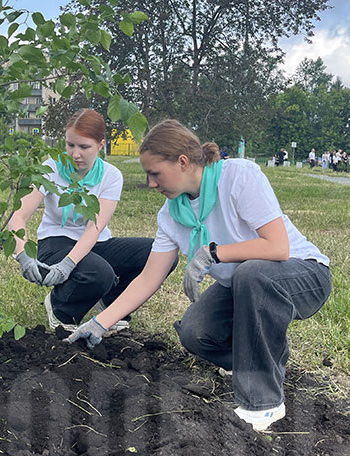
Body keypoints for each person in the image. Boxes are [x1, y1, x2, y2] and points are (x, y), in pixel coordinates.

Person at [65, 119, 331, 431]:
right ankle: (258, 362)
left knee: (251, 273)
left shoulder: (238, 177)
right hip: (245, 284)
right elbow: (148, 278)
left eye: (155, 173)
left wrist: (213, 253)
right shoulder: (170, 215)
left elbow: (278, 248)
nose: (151, 184)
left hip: (303, 275)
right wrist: (100, 323)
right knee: (195, 332)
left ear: (183, 161)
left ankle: (263, 405)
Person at [7, 109, 167, 332]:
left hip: (96, 242)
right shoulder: (50, 168)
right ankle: (60, 309)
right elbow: (18, 215)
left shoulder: (111, 176)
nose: (75, 154)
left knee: (157, 253)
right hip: (56, 242)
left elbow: (96, 226)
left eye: (84, 147)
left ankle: (113, 304)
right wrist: (23, 254)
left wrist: (68, 265)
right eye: (70, 145)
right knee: (99, 273)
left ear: (101, 145)